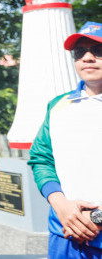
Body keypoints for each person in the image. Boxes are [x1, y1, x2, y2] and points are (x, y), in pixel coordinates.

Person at [29, 21, 102, 258]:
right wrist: (61, 206)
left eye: (98, 51)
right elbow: (41, 159)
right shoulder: (58, 106)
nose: (88, 58)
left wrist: (95, 218)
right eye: (80, 53)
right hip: (65, 232)